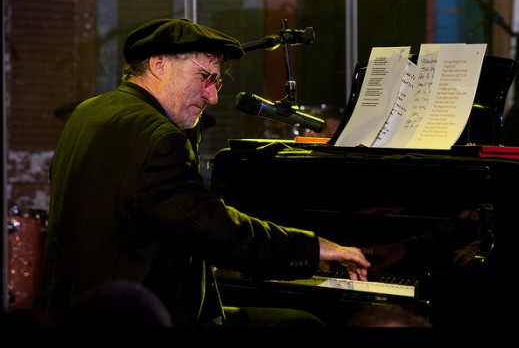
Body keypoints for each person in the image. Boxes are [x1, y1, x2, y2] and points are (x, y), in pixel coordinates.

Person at [32, 18, 371, 327]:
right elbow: (216, 231)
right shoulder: (157, 136)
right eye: (205, 78)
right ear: (159, 64)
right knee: (302, 324)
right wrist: (312, 249)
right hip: (141, 316)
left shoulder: (88, 112)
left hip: (78, 312)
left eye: (217, 82)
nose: (212, 97)